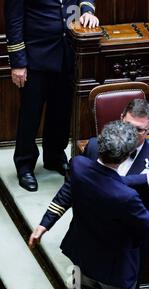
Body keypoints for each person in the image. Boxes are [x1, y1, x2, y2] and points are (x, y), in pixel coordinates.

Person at [29, 99, 149, 289]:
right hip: (85, 251)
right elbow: (72, 188)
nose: (131, 134)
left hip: (121, 259)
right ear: (120, 118)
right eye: (128, 126)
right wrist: (46, 221)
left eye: (139, 130)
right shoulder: (95, 146)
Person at [4, 1, 100, 192]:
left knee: (61, 109)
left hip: (67, 52)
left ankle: (55, 156)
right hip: (35, 54)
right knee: (31, 114)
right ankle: (25, 165)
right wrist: (18, 63)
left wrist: (88, 10)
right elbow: (13, 20)